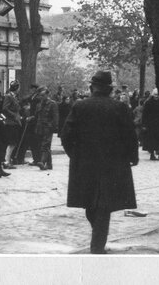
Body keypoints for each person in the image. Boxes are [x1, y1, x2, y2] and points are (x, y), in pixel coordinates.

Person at [60, 70, 138, 254]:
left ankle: (97, 243)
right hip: (112, 164)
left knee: (91, 204)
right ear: (109, 89)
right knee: (104, 205)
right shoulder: (119, 107)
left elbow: (66, 135)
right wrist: (131, 157)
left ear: (91, 87)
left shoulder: (80, 106)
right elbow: (130, 136)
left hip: (85, 164)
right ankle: (97, 245)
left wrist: (75, 155)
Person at [34, 87, 59, 171]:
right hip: (39, 128)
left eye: (43, 95)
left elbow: (55, 117)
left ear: (47, 95)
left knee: (45, 145)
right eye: (40, 95)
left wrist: (52, 127)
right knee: (45, 145)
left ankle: (42, 162)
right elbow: (37, 116)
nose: (41, 97)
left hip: (48, 128)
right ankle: (49, 164)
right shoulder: (39, 104)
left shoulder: (52, 104)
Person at [141, 88, 159, 160]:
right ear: (153, 94)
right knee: (152, 140)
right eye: (155, 94)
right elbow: (144, 114)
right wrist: (144, 124)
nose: (157, 96)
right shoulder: (148, 102)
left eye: (158, 94)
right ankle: (152, 154)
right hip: (151, 124)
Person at [1, 81, 22, 169]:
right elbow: (5, 108)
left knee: (13, 143)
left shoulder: (13, 96)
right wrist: (14, 115)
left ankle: (7, 160)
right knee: (11, 143)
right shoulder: (9, 96)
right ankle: (6, 161)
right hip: (11, 122)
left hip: (14, 122)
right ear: (17, 88)